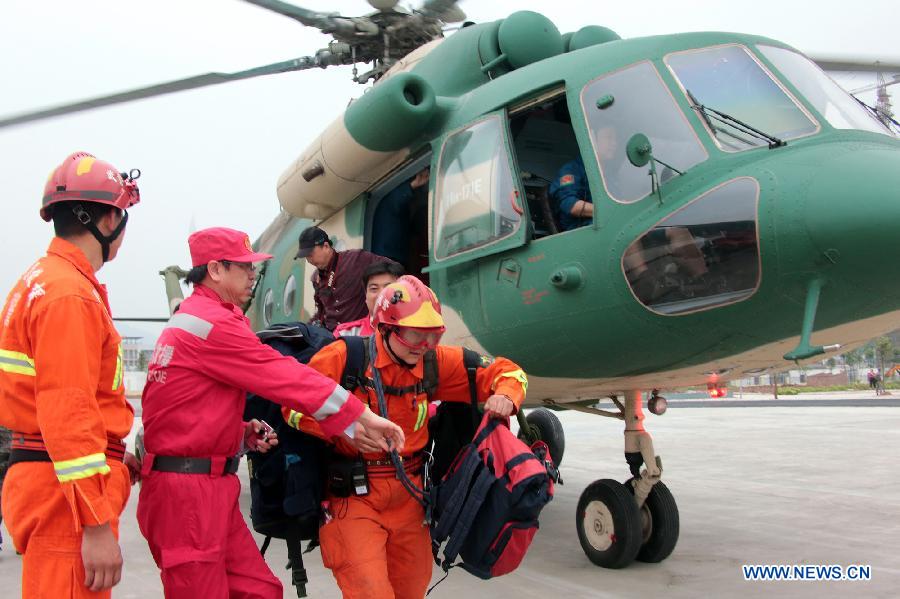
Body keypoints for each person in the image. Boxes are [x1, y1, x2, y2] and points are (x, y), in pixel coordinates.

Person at [137, 226, 404, 599]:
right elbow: (280, 374)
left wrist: (239, 433)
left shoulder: (198, 317)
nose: (252, 275)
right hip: (188, 497)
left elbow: (183, 409)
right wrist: (359, 414)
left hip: (206, 485)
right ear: (215, 270)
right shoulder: (212, 324)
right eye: (245, 267)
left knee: (260, 590)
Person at [285, 275, 529, 599]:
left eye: (433, 336)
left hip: (411, 500)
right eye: (416, 335)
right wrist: (344, 426)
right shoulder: (344, 358)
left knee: (411, 592)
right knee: (372, 593)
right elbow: (291, 405)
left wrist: (508, 394)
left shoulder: (432, 364)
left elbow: (509, 371)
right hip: (355, 499)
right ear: (386, 328)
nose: (425, 347)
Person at [0, 151, 142, 597]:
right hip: (65, 500)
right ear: (104, 220)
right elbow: (68, 409)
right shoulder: (70, 295)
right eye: (121, 214)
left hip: (50, 480)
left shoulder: (40, 281)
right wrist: (95, 524)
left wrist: (116, 458)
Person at [296, 225, 391, 331]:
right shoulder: (315, 278)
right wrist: (305, 330)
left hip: (359, 336)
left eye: (310, 254)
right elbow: (321, 313)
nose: (309, 260)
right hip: (333, 339)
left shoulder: (357, 259)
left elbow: (392, 268)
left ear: (326, 246)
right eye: (306, 257)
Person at [333, 261, 405, 338]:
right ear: (366, 296)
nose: (381, 295)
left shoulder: (415, 332)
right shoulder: (345, 334)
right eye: (374, 288)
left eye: (388, 288)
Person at [371, 168, 430, 264]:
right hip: (388, 255)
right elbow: (393, 201)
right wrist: (412, 186)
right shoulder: (383, 197)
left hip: (398, 254)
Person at [549, 156, 593, 231]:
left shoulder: (609, 171)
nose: (613, 144)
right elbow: (570, 205)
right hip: (579, 229)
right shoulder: (570, 169)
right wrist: (606, 211)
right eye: (607, 143)